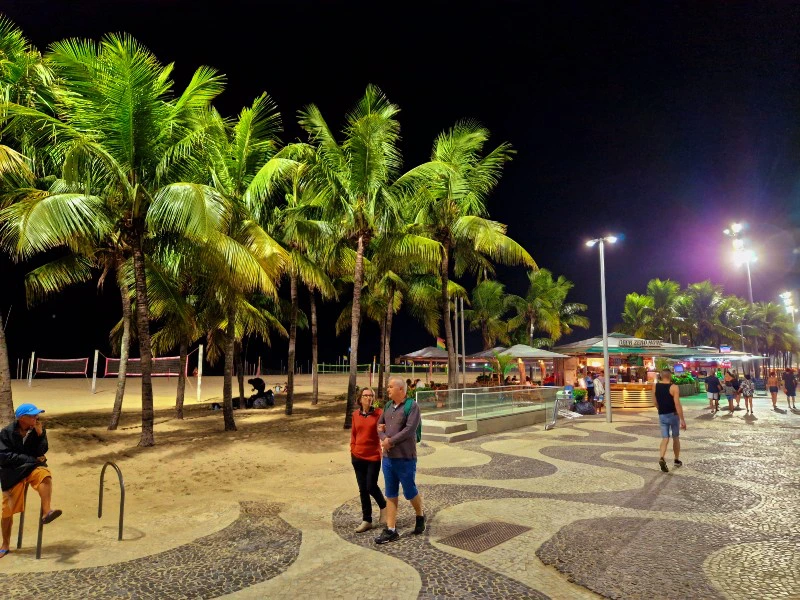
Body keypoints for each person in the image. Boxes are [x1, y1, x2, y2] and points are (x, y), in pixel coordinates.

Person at [0, 403, 62, 558]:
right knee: (7, 510)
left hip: (32, 468)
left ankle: (47, 512)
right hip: (12, 472)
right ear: (22, 418)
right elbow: (4, 456)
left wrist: (40, 435)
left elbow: (42, 451)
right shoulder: (6, 433)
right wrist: (31, 459)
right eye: (33, 415)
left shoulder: (38, 429)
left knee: (44, 474)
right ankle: (5, 544)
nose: (36, 417)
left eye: (37, 414)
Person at [374, 376, 424, 544]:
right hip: (388, 459)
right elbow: (379, 426)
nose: (387, 389)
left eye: (390, 387)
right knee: (390, 493)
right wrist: (383, 438)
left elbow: (410, 430)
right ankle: (391, 529)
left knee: (410, 491)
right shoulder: (387, 406)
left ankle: (420, 515)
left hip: (405, 458)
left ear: (400, 390)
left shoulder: (412, 406)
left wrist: (390, 441)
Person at [350, 387, 387, 533]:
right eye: (365, 395)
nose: (368, 398)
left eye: (371, 395)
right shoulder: (355, 415)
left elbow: (383, 431)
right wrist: (352, 448)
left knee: (371, 485)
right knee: (362, 489)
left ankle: (384, 506)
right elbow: (354, 434)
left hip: (373, 456)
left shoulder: (379, 413)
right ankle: (367, 520)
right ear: (360, 398)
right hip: (357, 456)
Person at [652, 369, 686, 472]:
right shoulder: (674, 387)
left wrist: (659, 409)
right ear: (670, 376)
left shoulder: (655, 386)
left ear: (661, 376)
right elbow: (677, 404)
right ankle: (676, 459)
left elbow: (654, 402)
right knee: (675, 437)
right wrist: (682, 419)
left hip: (662, 415)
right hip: (673, 415)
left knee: (665, 438)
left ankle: (662, 457)